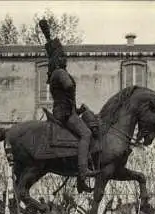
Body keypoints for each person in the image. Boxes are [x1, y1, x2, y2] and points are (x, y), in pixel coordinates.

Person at [39, 18, 96, 194]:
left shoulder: (56, 73)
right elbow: (69, 87)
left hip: (66, 110)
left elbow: (66, 97)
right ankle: (83, 171)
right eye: (62, 56)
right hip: (64, 114)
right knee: (86, 134)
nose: (65, 58)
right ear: (57, 59)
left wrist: (78, 109)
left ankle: (80, 181)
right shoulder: (59, 73)